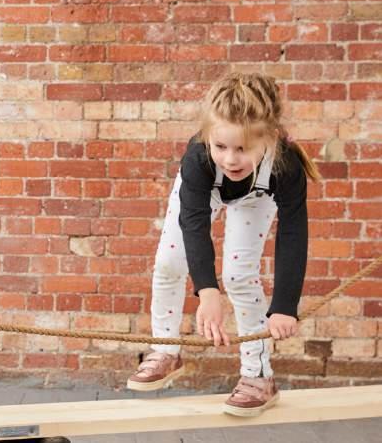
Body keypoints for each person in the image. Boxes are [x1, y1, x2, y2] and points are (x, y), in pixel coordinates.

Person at [126, 73, 320, 417]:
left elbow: (293, 234)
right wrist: (207, 293)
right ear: (208, 139)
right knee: (169, 262)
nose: (230, 159)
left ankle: (258, 376)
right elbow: (194, 225)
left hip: (257, 197)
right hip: (203, 195)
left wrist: (285, 306)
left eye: (242, 149)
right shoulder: (199, 158)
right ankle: (165, 350)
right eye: (221, 147)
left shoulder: (285, 166)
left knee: (239, 277)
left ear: (268, 139)